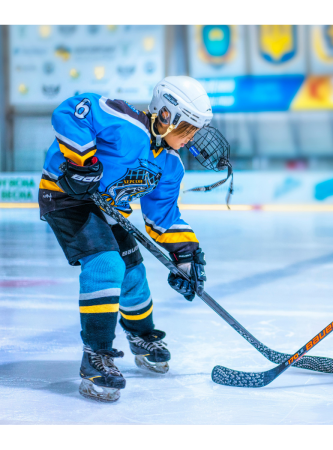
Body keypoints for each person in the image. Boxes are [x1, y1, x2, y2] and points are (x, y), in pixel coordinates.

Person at [38, 76, 230, 402]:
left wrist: (185, 256)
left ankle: (142, 336)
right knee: (107, 264)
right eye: (188, 129)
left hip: (109, 209)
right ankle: (96, 355)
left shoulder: (170, 165)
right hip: (68, 197)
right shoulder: (125, 124)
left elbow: (163, 216)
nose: (191, 138)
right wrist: (82, 162)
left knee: (134, 275)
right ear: (166, 115)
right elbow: (71, 111)